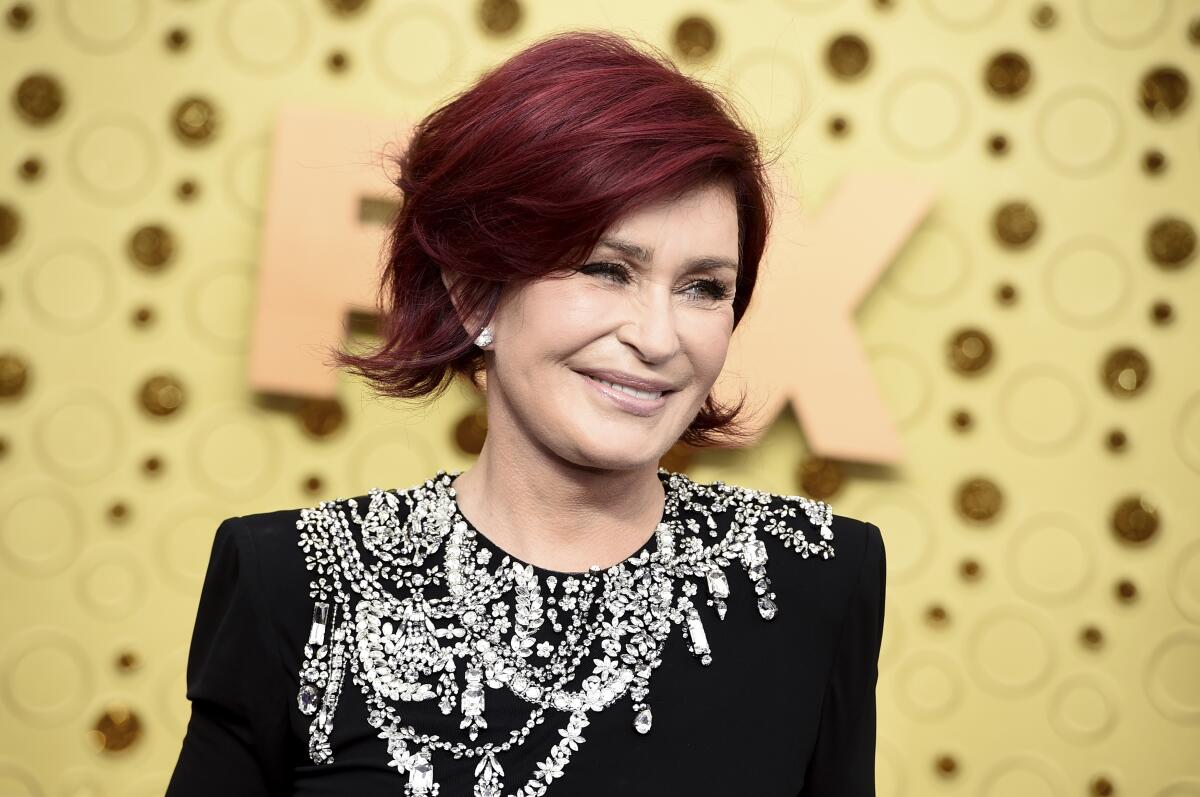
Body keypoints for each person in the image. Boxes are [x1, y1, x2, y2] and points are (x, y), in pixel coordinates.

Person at [165, 28, 886, 797]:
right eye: (608, 270)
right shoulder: (291, 579)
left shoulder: (820, 576)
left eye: (704, 287)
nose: (658, 337)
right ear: (476, 291)